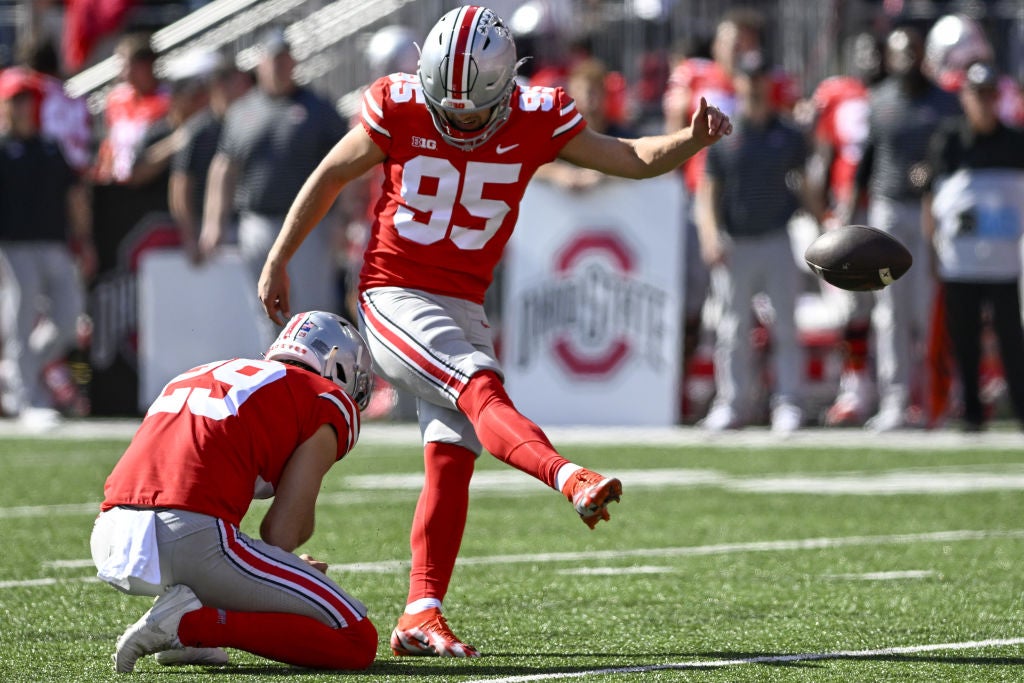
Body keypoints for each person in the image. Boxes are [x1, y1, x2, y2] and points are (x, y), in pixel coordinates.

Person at [257, 4, 731, 658]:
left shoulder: (539, 116)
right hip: (394, 291)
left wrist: (691, 139)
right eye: (444, 107)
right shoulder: (400, 104)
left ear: (506, 90)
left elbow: (633, 156)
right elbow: (334, 171)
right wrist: (280, 256)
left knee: (453, 452)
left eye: (472, 111)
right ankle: (568, 475)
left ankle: (421, 609)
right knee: (481, 388)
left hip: (463, 303)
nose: (456, 121)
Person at [90, 311, 377, 672]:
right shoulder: (326, 396)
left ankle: (191, 627)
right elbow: (282, 533)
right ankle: (190, 625)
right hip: (189, 538)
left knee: (230, 556)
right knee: (358, 640)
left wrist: (276, 569)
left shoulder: (201, 372)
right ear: (337, 366)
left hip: (108, 536)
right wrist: (285, 565)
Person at [847, 25, 961, 432]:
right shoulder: (879, 100)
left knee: (929, 308)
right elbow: (867, 159)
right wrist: (849, 209)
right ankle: (895, 400)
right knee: (890, 311)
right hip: (888, 209)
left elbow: (958, 153)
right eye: (900, 53)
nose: (907, 60)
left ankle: (935, 399)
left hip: (933, 210)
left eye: (913, 52)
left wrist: (934, 171)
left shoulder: (946, 103)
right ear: (889, 58)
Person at [694, 51, 809, 434]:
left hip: (777, 236)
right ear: (738, 83)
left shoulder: (789, 134)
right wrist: (710, 236)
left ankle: (788, 401)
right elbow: (709, 191)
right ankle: (732, 402)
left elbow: (805, 185)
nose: (755, 86)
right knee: (732, 329)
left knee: (786, 326)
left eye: (760, 78)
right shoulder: (725, 134)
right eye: (748, 78)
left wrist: (824, 223)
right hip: (736, 241)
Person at [201, 27, 346, 330]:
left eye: (284, 60)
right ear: (260, 64)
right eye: (273, 60)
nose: (279, 66)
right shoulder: (242, 110)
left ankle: (320, 377)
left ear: (292, 63)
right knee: (267, 311)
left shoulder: (318, 108)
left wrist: (343, 219)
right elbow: (224, 166)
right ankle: (277, 374)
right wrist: (213, 223)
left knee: (316, 311)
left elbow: (347, 165)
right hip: (258, 222)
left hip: (310, 224)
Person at [922, 61, 1024, 431]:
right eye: (977, 94)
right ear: (964, 97)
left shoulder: (1016, 142)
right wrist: (931, 247)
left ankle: (1019, 406)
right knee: (963, 339)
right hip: (959, 260)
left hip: (1004, 261)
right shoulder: (948, 140)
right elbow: (928, 194)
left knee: (1012, 338)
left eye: (990, 94)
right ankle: (970, 411)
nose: (984, 102)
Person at [0, 68, 94, 426]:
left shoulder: (51, 147)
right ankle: (25, 400)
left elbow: (74, 197)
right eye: (14, 100)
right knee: (20, 317)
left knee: (70, 319)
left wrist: (83, 241)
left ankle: (15, 370)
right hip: (12, 248)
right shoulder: (2, 147)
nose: (22, 107)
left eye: (26, 99)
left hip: (55, 245)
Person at [806, 32, 886, 426]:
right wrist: (824, 214)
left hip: (886, 206)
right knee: (851, 308)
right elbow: (822, 156)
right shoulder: (838, 94)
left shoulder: (898, 96)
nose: (869, 57)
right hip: (848, 212)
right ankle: (856, 387)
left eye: (876, 50)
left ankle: (897, 390)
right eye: (862, 50)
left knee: (892, 309)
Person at [169, 56, 253, 263]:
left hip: (246, 222)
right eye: (236, 85)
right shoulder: (198, 131)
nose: (243, 92)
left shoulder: (248, 125)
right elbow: (180, 185)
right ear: (218, 87)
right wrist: (189, 236)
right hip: (207, 230)